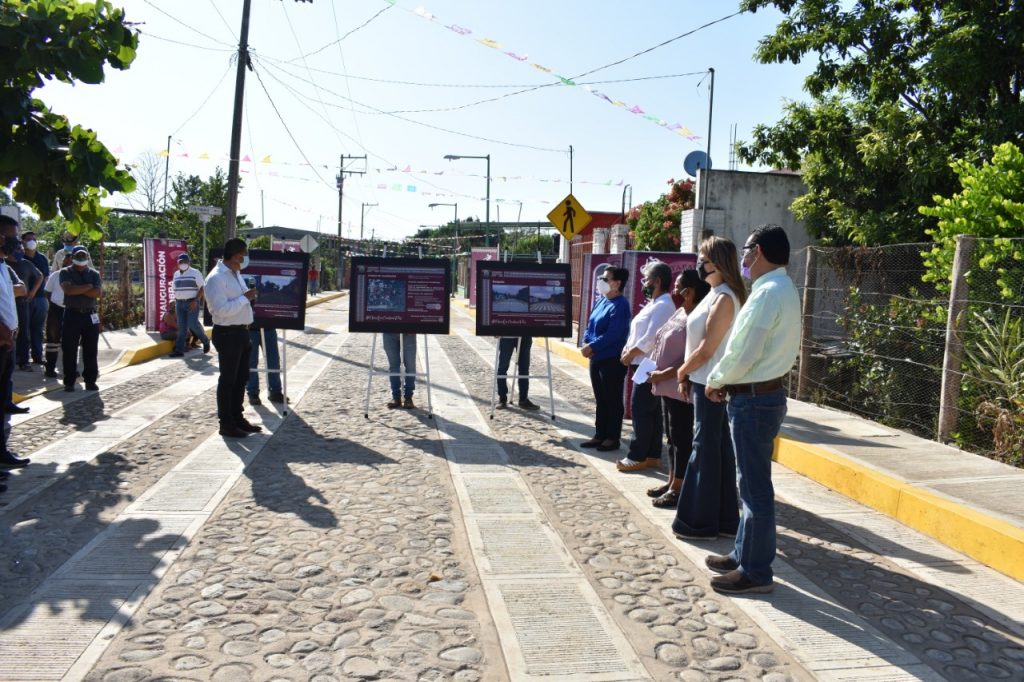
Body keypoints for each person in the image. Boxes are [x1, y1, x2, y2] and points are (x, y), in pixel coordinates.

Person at [702, 224, 801, 595]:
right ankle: (744, 554)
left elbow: (746, 348)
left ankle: (756, 571)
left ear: (757, 251)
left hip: (754, 398)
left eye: (745, 250)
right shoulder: (779, 288)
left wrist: (719, 379)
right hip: (761, 396)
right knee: (750, 484)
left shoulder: (767, 293)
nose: (742, 258)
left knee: (755, 487)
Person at [671, 237, 747, 541]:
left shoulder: (725, 297)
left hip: (711, 383)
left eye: (703, 259)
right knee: (716, 451)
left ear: (717, 262)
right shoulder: (715, 293)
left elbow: (707, 347)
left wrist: (682, 370)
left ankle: (699, 523)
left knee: (706, 451)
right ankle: (724, 520)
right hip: (705, 380)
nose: (698, 265)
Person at [645, 269, 711, 508]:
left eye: (678, 286)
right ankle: (672, 479)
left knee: (682, 437)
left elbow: (692, 355)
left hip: (681, 387)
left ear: (689, 292)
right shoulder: (681, 312)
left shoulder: (697, 317)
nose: (673, 290)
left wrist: (665, 373)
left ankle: (679, 487)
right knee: (671, 437)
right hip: (665, 386)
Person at [617, 260, 676, 472]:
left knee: (640, 409)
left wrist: (630, 353)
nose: (644, 283)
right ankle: (652, 454)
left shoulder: (664, 306)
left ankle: (638, 454)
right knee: (650, 411)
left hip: (648, 363)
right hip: (641, 362)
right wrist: (627, 349)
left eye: (647, 279)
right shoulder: (654, 304)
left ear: (658, 281)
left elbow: (651, 337)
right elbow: (638, 332)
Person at [205, 238, 261, 438]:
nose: (245, 259)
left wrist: (247, 297)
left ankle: (237, 417)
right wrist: (245, 298)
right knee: (228, 380)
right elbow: (220, 311)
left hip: (242, 332)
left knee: (241, 379)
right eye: (243, 255)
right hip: (228, 333)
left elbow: (238, 301)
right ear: (235, 255)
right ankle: (226, 423)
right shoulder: (216, 278)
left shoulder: (236, 274)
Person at [580, 267, 631, 451]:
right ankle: (599, 434)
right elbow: (590, 324)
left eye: (606, 278)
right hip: (596, 357)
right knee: (600, 399)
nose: (601, 280)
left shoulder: (621, 305)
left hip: (611, 359)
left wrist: (592, 347)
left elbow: (614, 334)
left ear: (617, 283)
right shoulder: (602, 301)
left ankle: (612, 436)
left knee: (612, 399)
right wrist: (588, 342)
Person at [0, 217, 29, 472]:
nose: (15, 242)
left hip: (7, 339)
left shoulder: (3, 266)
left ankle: (1, 451)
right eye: (10, 236)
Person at [60, 246, 102, 392]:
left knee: (91, 349)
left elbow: (97, 293)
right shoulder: (65, 272)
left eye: (84, 256)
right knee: (69, 349)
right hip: (72, 314)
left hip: (90, 315)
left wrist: (80, 288)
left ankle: (90, 380)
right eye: (78, 256)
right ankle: (69, 381)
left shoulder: (94, 273)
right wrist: (88, 287)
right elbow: (68, 290)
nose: (81, 259)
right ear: (72, 257)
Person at [7, 239, 42, 371]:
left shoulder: (26, 263)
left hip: (22, 302)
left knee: (24, 332)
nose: (21, 252)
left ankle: (24, 361)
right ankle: (11, 359)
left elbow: (40, 276)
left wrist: (32, 292)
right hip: (7, 304)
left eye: (22, 249)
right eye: (18, 250)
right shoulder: (5, 265)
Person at [170, 253, 210, 358]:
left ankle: (205, 341)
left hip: (192, 302)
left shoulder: (195, 272)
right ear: (178, 263)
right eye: (180, 262)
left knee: (193, 324)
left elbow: (202, 287)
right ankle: (179, 350)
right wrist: (175, 300)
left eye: (184, 262)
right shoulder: (176, 274)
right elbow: (175, 288)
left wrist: (196, 301)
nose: (182, 264)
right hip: (179, 303)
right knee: (182, 328)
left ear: (188, 262)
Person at [21, 231, 49, 366]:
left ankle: (38, 356)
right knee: (23, 329)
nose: (31, 241)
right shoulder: (18, 258)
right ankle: (22, 358)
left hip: (40, 298)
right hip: (23, 299)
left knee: (37, 329)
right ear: (23, 242)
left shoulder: (42, 258)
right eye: (28, 239)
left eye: (33, 239)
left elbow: (45, 277)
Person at [43, 250, 72, 378]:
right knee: (52, 340)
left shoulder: (80, 276)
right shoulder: (55, 275)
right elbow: (47, 292)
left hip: (72, 310)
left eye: (71, 261)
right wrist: (54, 304)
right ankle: (50, 368)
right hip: (56, 310)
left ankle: (70, 369)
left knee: (71, 341)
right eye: (66, 260)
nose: (68, 263)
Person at [496, 336, 540, 410]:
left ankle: (523, 400)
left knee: (524, 368)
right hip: (507, 333)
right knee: (503, 367)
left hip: (525, 335)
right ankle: (502, 398)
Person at [247, 327, 286, 405]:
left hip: (269, 327)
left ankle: (275, 392)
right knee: (251, 362)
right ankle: (253, 393)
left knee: (273, 361)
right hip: (250, 328)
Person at [382, 332, 416, 409]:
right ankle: (396, 397)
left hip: (408, 332)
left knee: (410, 366)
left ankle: (408, 398)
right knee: (393, 367)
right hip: (388, 331)